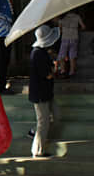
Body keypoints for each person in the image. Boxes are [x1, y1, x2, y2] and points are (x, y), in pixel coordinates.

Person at [29, 25, 60, 157]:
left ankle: (35, 134)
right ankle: (38, 150)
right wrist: (55, 69)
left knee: (55, 116)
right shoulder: (38, 54)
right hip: (40, 93)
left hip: (45, 92)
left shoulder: (39, 52)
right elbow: (47, 74)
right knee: (43, 121)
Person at [57, 11, 86, 77]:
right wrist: (76, 30)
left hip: (65, 38)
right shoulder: (77, 16)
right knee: (72, 56)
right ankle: (72, 72)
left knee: (62, 55)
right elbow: (83, 27)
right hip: (74, 38)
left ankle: (62, 71)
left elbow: (59, 30)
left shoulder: (62, 18)